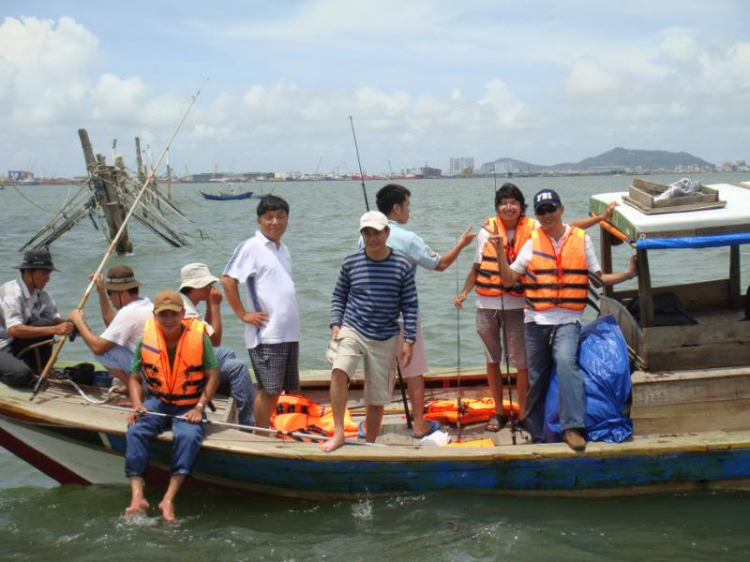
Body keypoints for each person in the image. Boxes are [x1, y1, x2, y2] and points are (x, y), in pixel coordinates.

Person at [454, 183, 617, 432]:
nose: (508, 207)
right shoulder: (487, 231)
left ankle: (525, 416)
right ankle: (499, 412)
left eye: (514, 203)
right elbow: (477, 268)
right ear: (497, 208)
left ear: (522, 208)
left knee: (522, 364)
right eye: (503, 203)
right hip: (487, 303)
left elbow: (569, 228)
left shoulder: (534, 228)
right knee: (492, 360)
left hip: (521, 306)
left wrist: (600, 219)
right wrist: (464, 292)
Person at [497, 188, 636, 451]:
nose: (547, 215)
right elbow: (507, 280)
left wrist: (629, 274)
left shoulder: (581, 240)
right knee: (536, 376)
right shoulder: (531, 242)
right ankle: (537, 431)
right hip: (535, 321)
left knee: (565, 363)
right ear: (537, 216)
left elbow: (599, 279)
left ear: (562, 209)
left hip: (568, 320)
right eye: (542, 211)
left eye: (551, 209)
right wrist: (499, 252)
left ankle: (573, 426)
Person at [374, 183, 476, 438]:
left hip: (372, 317)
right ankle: (419, 424)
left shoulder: (365, 235)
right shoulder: (408, 238)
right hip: (404, 316)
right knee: (414, 371)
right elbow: (439, 264)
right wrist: (461, 244)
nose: (409, 210)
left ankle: (372, 428)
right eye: (407, 205)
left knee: (377, 374)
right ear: (396, 208)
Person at [322, 210, 419, 453]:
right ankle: (339, 433)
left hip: (385, 335)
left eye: (376, 232)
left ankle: (370, 445)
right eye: (366, 232)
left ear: (387, 233)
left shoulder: (402, 264)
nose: (371, 238)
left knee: (377, 398)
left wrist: (409, 340)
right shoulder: (350, 262)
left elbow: (410, 304)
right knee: (338, 370)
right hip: (352, 328)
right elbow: (339, 295)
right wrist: (336, 322)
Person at [123, 290, 220, 522]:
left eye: (173, 315)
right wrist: (137, 404)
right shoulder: (147, 336)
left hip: (188, 403)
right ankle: (137, 497)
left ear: (183, 314)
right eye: (163, 315)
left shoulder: (198, 336)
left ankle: (168, 498)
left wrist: (199, 407)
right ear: (155, 315)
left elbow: (213, 375)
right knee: (136, 430)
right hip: (157, 401)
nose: (168, 320)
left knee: (188, 436)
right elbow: (135, 377)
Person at [221, 195, 300, 429]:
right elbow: (227, 280)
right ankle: (260, 435)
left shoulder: (283, 248)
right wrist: (243, 314)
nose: (275, 222)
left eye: (280, 217)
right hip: (267, 334)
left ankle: (265, 429)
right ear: (259, 220)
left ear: (287, 219)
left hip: (288, 333)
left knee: (280, 390)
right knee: (268, 390)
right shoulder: (251, 247)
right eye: (269, 218)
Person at [179, 262, 256, 426]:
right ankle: (248, 423)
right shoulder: (187, 312)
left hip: (191, 358)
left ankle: (222, 387)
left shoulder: (185, 302)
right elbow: (215, 340)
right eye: (207, 285)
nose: (210, 288)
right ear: (196, 286)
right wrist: (214, 306)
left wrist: (208, 305)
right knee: (238, 367)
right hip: (188, 369)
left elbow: (206, 334)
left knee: (227, 353)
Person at [69, 266, 153, 386]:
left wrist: (78, 320)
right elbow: (112, 325)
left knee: (104, 351)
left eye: (110, 293)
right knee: (111, 342)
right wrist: (101, 291)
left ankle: (133, 389)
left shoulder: (129, 312)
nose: (109, 298)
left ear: (122, 293)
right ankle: (134, 386)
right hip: (154, 371)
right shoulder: (146, 304)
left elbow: (97, 348)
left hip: (149, 378)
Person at [0, 250, 74, 387]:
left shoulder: (42, 294)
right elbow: (14, 330)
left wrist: (75, 325)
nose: (48, 278)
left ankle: (38, 370)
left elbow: (53, 320)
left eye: (49, 274)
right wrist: (55, 329)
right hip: (2, 343)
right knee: (20, 375)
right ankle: (18, 371)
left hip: (15, 342)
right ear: (28, 272)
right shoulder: (11, 292)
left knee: (44, 323)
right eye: (44, 273)